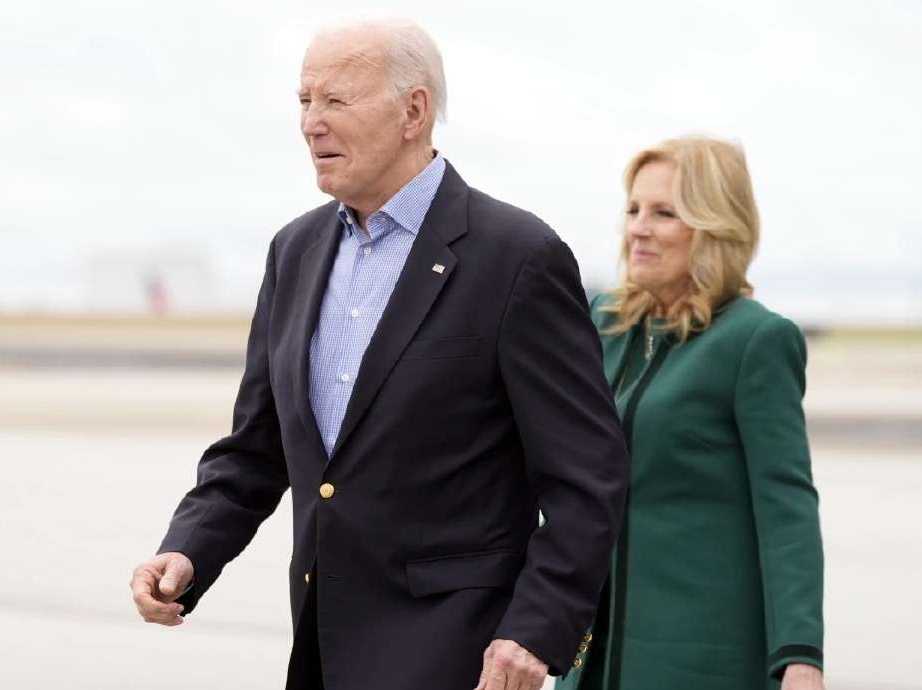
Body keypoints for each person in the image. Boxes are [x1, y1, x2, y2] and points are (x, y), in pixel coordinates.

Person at [129, 20, 628, 690]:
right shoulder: (294, 252)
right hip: (322, 645)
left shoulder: (517, 257)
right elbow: (257, 448)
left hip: (458, 650)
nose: (311, 123)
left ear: (413, 111)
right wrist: (188, 549)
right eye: (304, 101)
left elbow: (586, 477)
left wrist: (536, 629)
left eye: (336, 101)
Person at [559, 136, 825, 690]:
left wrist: (799, 656)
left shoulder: (756, 340)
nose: (638, 228)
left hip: (698, 655)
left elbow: (786, 505)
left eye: (664, 213)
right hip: (591, 652)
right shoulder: (601, 321)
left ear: (714, 224)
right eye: (633, 210)